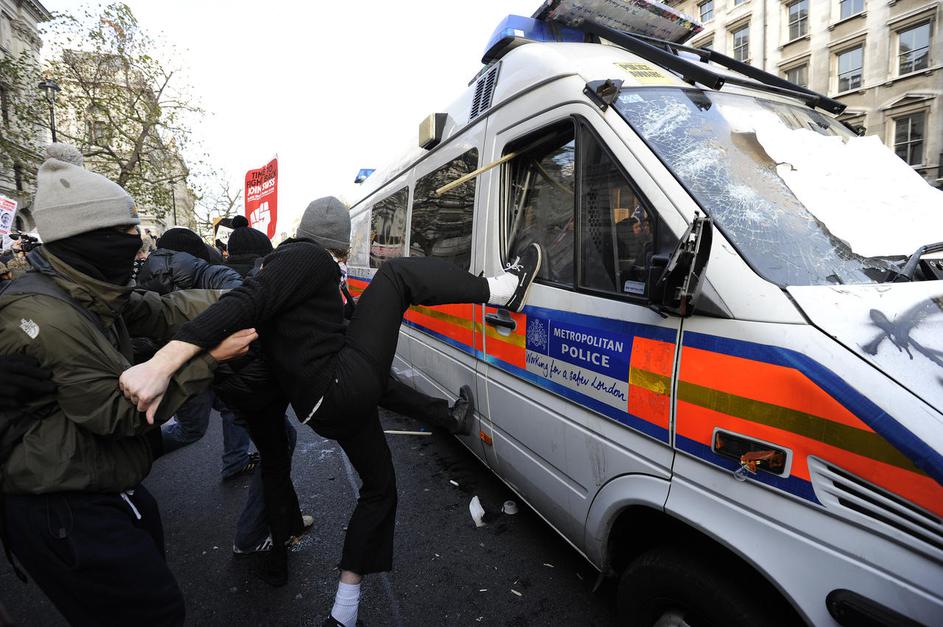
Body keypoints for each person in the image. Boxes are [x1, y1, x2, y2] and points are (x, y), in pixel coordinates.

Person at [120, 196, 541, 626]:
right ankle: (502, 290)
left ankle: (344, 611)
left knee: (380, 488)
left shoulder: (304, 274)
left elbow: (346, 347)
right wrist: (163, 362)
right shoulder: (305, 258)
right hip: (338, 389)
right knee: (397, 275)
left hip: (327, 404)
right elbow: (244, 301)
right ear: (337, 242)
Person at [0, 146, 254, 625]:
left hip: (104, 481)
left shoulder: (89, 290)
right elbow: (119, 412)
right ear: (87, 239)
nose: (138, 248)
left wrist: (251, 296)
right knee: (152, 613)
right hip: (63, 503)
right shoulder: (49, 317)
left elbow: (164, 310)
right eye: (125, 235)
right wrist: (209, 358)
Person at [136, 228, 260, 480]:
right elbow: (237, 297)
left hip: (195, 366)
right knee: (191, 430)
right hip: (193, 367)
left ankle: (235, 459)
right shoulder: (200, 270)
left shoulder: (146, 275)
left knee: (231, 408)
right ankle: (139, 453)